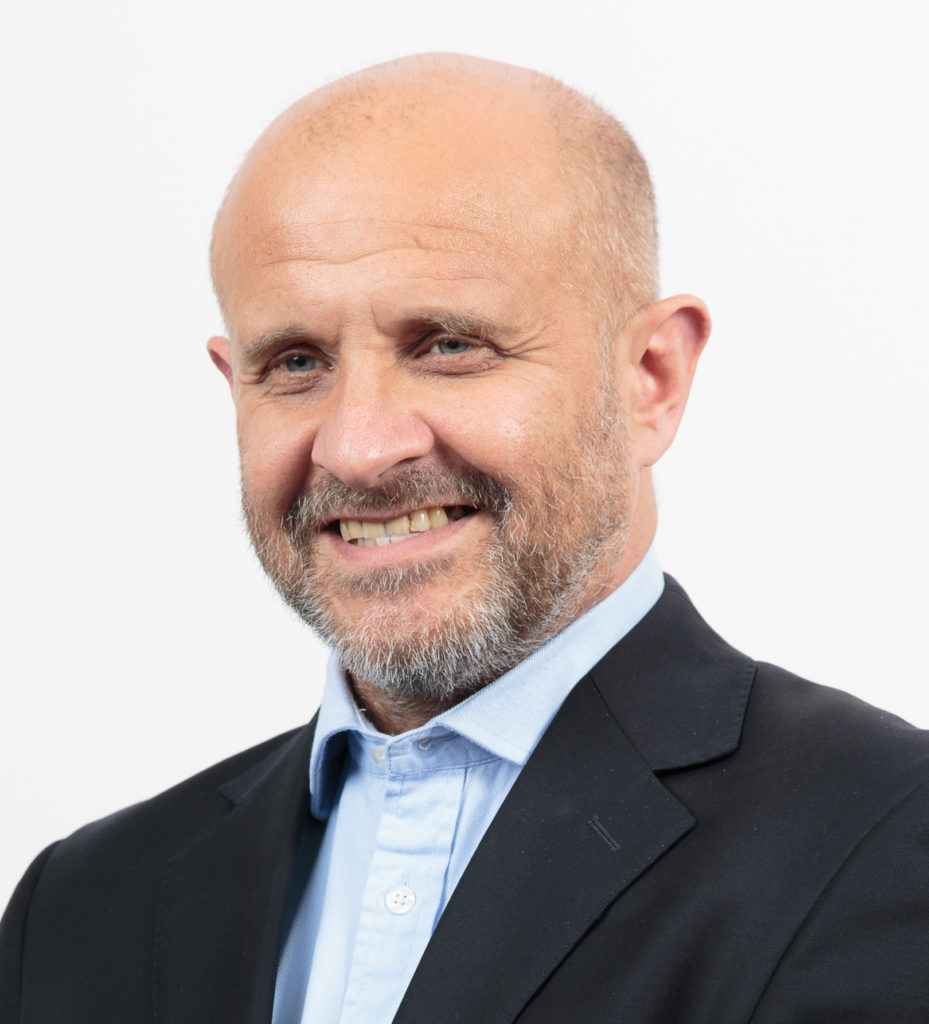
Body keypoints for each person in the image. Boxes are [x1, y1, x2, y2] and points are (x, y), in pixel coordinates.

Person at [2, 52, 928, 1024]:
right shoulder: (80, 906)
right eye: (297, 362)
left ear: (650, 378)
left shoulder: (888, 844)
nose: (359, 447)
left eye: (449, 345)